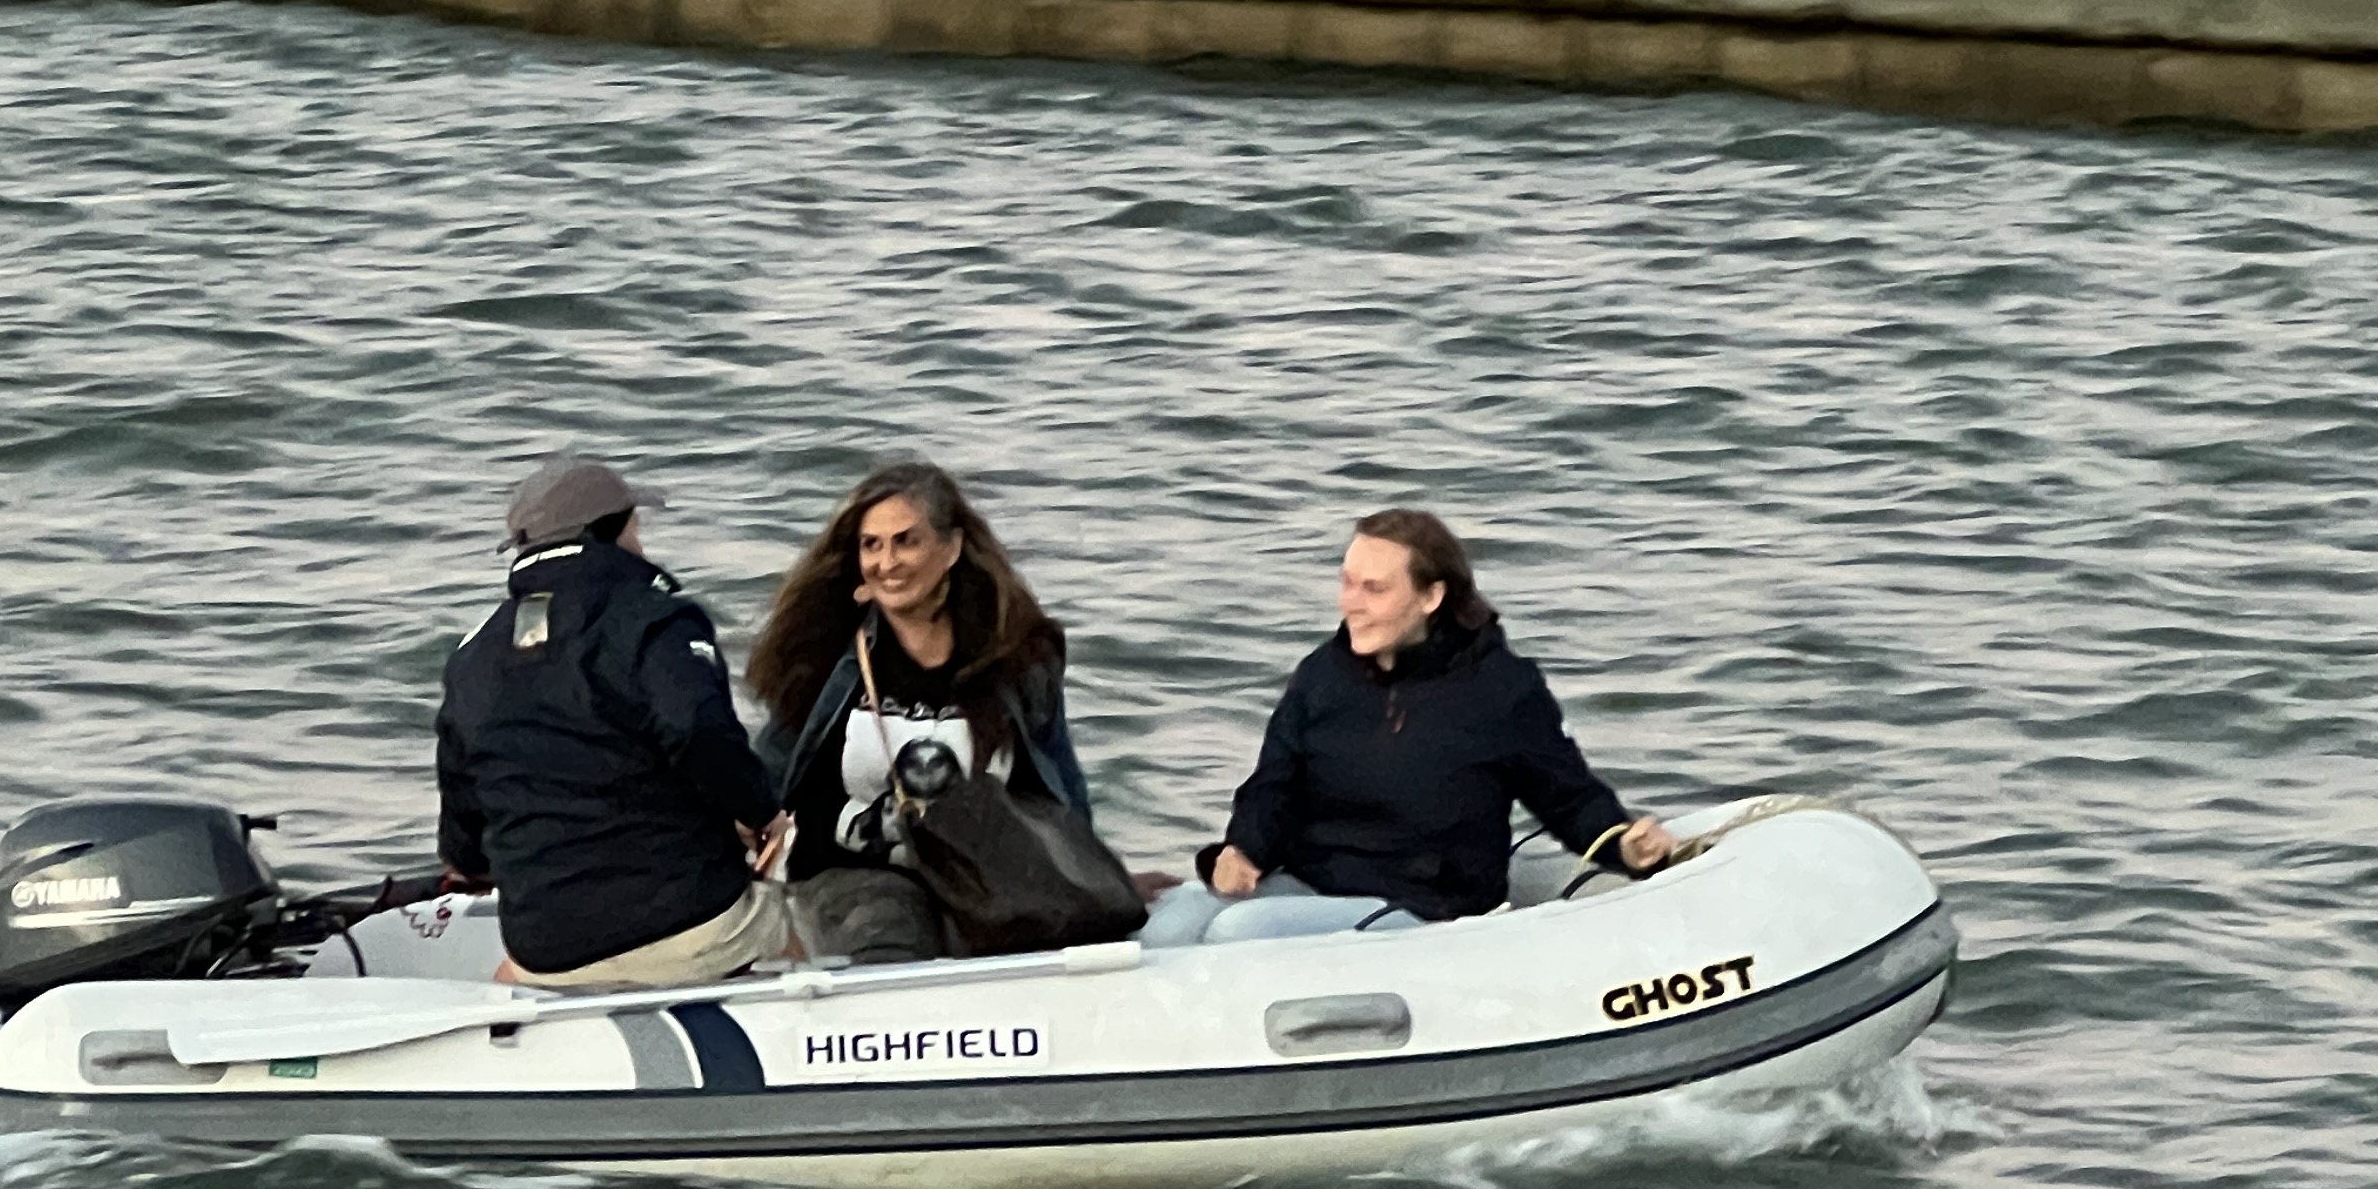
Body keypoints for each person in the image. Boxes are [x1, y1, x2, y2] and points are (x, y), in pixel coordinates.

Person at [1150, 507, 1674, 946]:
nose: (1351, 603)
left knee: (1238, 932)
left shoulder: (1501, 689)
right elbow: (1273, 784)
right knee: (1169, 928)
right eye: (1347, 583)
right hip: (1316, 883)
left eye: (1374, 589)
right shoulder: (1322, 674)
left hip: (1426, 906)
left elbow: (1568, 798)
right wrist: (1242, 850)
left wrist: (1624, 846)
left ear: (1430, 597)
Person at [435, 453, 790, 989]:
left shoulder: (472, 655)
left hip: (547, 950)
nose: (640, 543)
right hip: (687, 922)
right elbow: (696, 730)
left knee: (511, 975)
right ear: (610, 531)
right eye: (635, 527)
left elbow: (463, 813)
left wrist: (473, 864)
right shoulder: (655, 620)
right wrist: (760, 810)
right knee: (801, 929)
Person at [745, 460, 1092, 961]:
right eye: (872, 545)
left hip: (985, 874)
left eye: (906, 542)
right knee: (890, 934)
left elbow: (1059, 779)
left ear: (951, 548)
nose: (887, 562)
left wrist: (1089, 875)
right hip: (853, 874)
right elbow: (765, 773)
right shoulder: (822, 656)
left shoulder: (1015, 656)